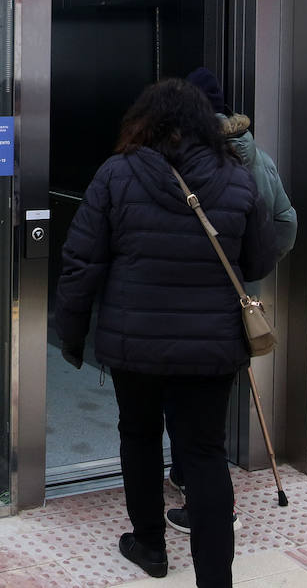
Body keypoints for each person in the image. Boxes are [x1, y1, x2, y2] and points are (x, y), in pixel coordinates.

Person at [54, 79, 275, 585]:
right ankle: (215, 580)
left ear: (144, 122)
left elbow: (80, 263)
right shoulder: (237, 178)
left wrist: (71, 333)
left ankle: (150, 545)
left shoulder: (116, 174)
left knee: (139, 436)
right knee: (204, 453)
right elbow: (260, 259)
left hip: (136, 344)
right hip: (212, 346)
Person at [161, 68, 300, 534]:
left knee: (188, 402)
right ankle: (186, 475)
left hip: (191, 300)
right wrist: (250, 271)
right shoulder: (259, 158)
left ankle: (211, 503)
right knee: (212, 399)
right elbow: (286, 223)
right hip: (237, 300)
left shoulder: (186, 157)